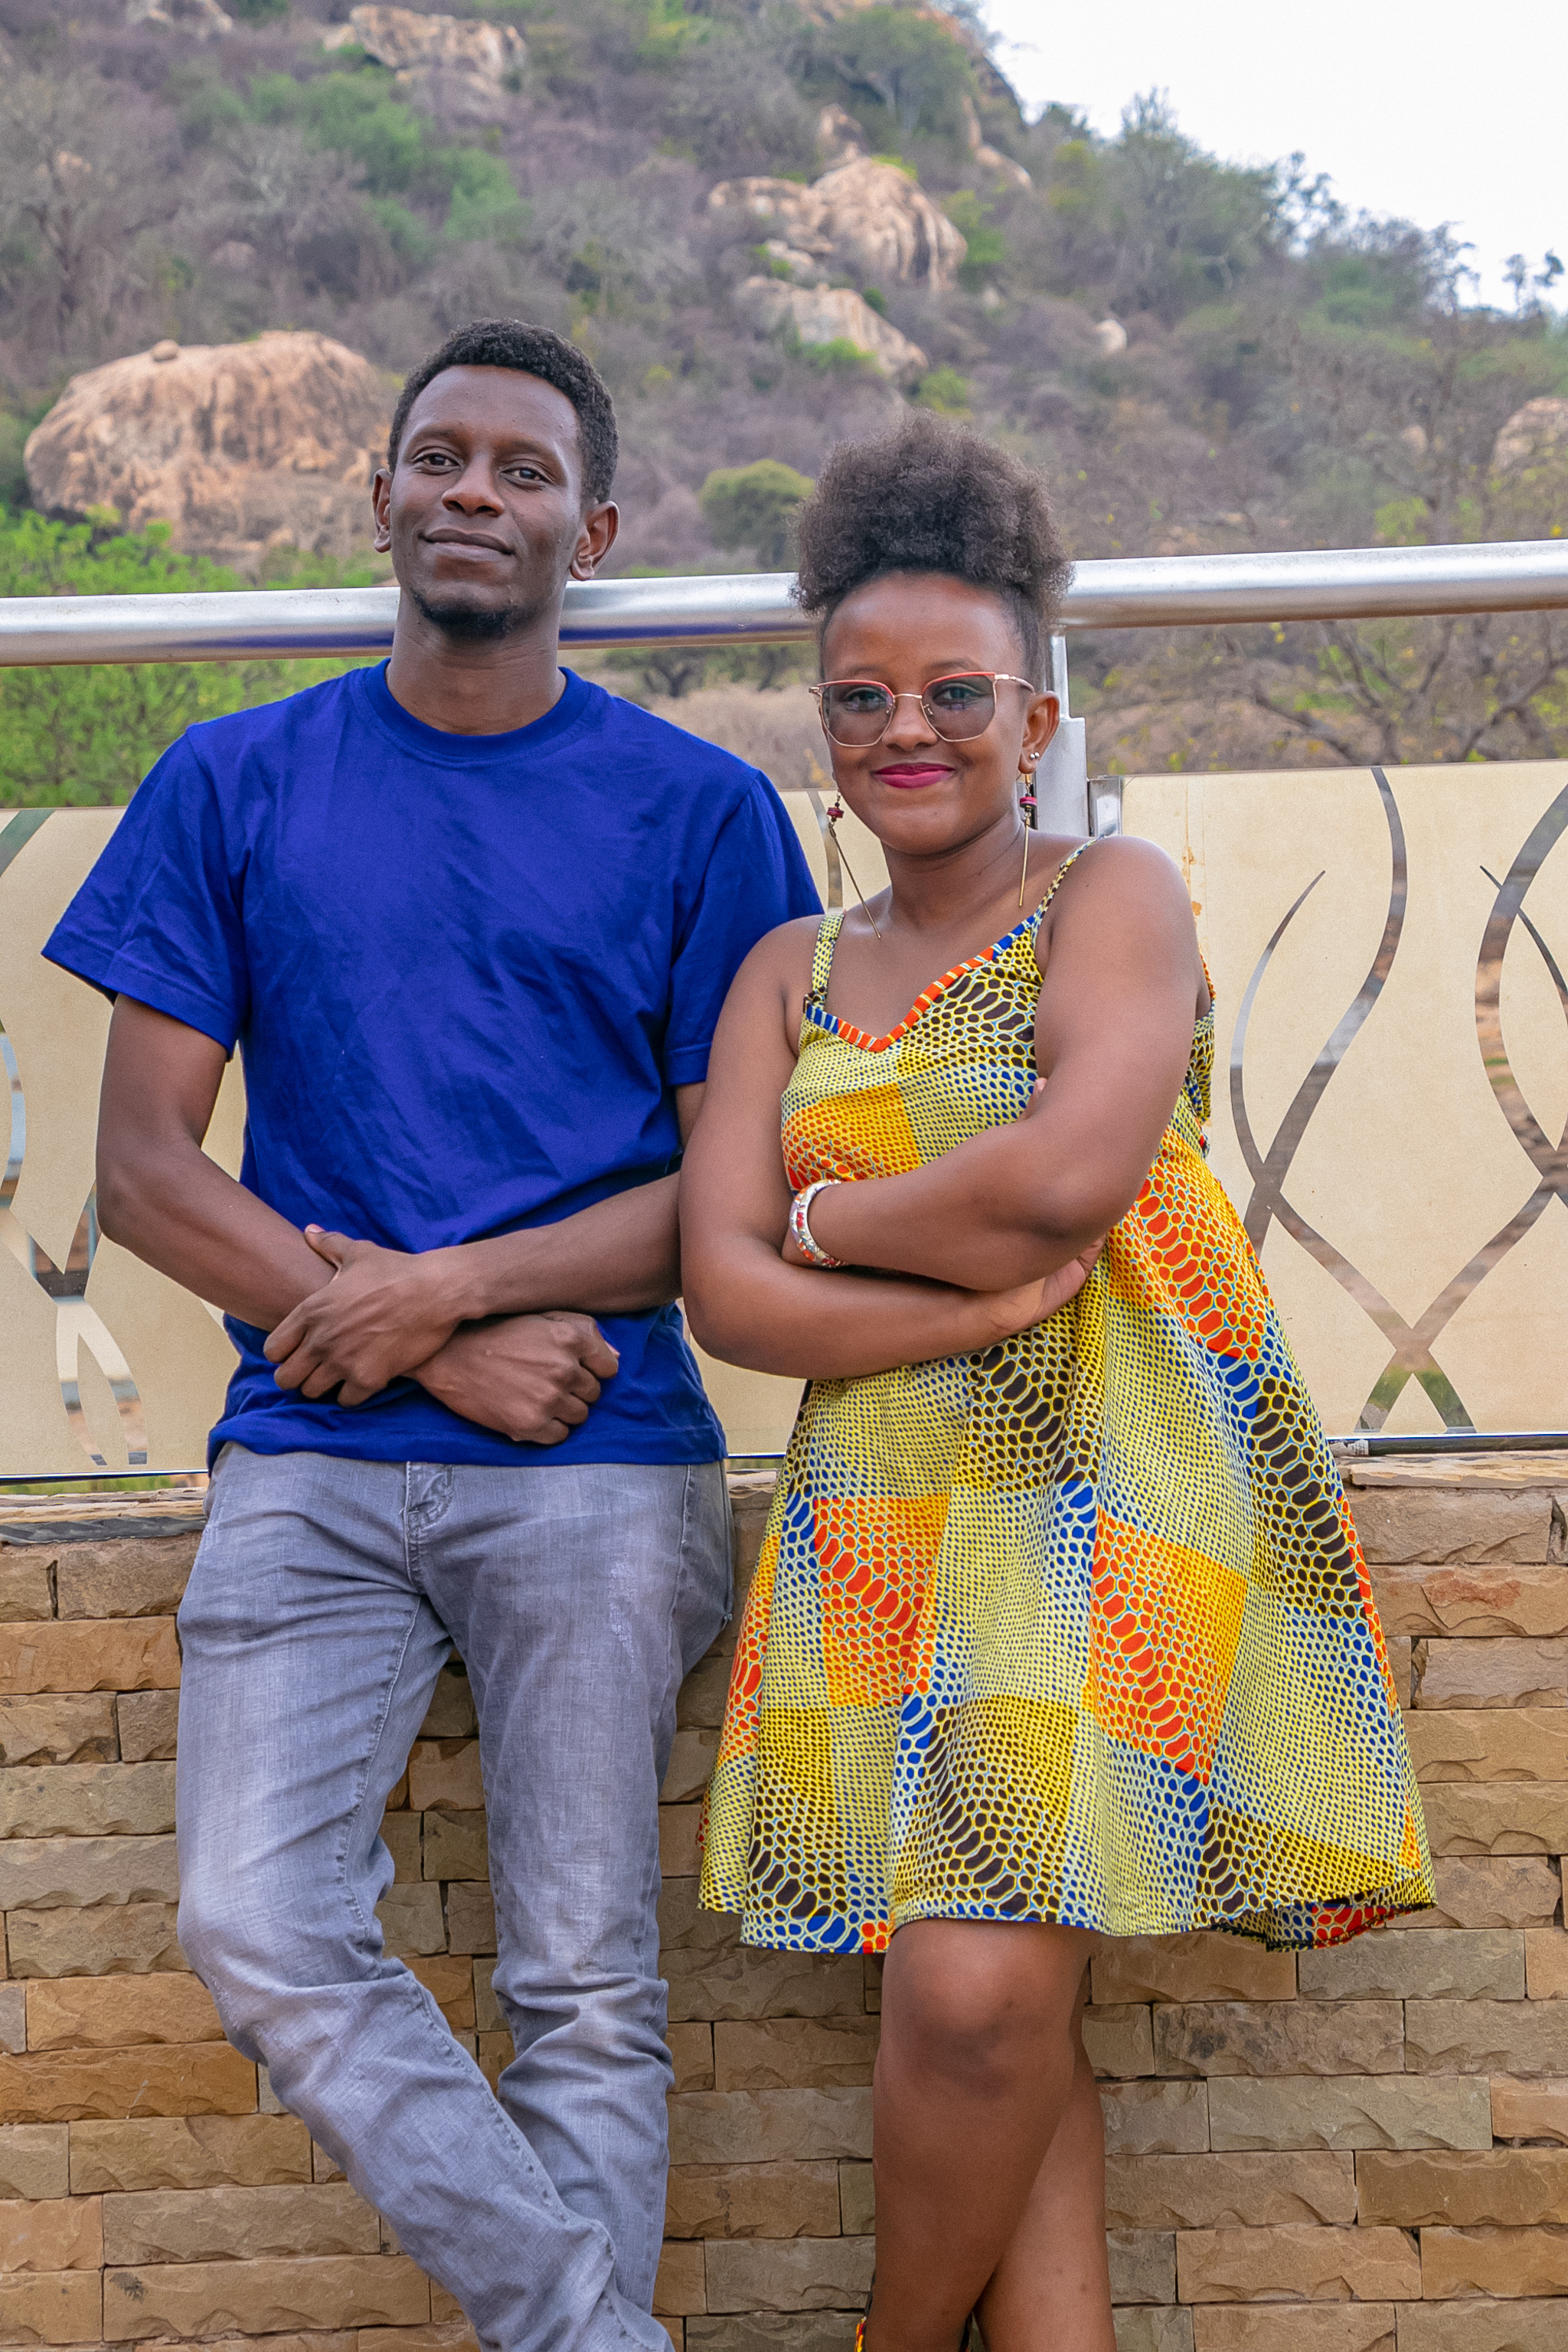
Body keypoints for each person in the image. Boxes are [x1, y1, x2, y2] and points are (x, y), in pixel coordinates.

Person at [44, 319, 818, 2352]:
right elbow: (144, 1171)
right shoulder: (232, 779)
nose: (477, 492)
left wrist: (451, 1291)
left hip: (599, 1457)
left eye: (524, 469)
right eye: (442, 456)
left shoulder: (702, 812)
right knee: (256, 1921)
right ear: (377, 492)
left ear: (595, 530)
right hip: (310, 1461)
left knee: (581, 1980)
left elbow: (726, 1194)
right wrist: (419, 1340)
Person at [681, 412, 1432, 2352]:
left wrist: (828, 1223)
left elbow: (1068, 1181)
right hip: (887, 1501)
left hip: (1115, 1477)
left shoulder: (1112, 892)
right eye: (859, 697)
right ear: (821, 726)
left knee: (972, 1991)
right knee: (1003, 1993)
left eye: (954, 693)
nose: (904, 729)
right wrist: (943, 1302)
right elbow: (724, 1297)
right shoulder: (781, 969)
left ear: (1033, 716)